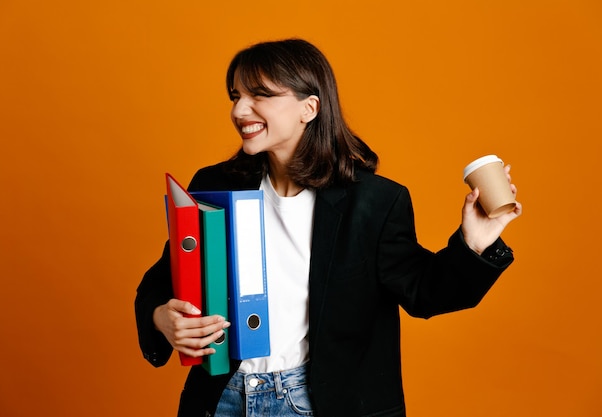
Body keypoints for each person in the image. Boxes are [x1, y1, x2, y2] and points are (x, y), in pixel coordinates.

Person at [135, 38, 522, 417]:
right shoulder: (215, 184)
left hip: (317, 402)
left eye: (260, 95)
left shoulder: (373, 201)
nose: (240, 110)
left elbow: (424, 293)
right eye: (236, 96)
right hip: (223, 398)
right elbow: (166, 277)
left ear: (309, 108)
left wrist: (474, 244)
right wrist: (160, 318)